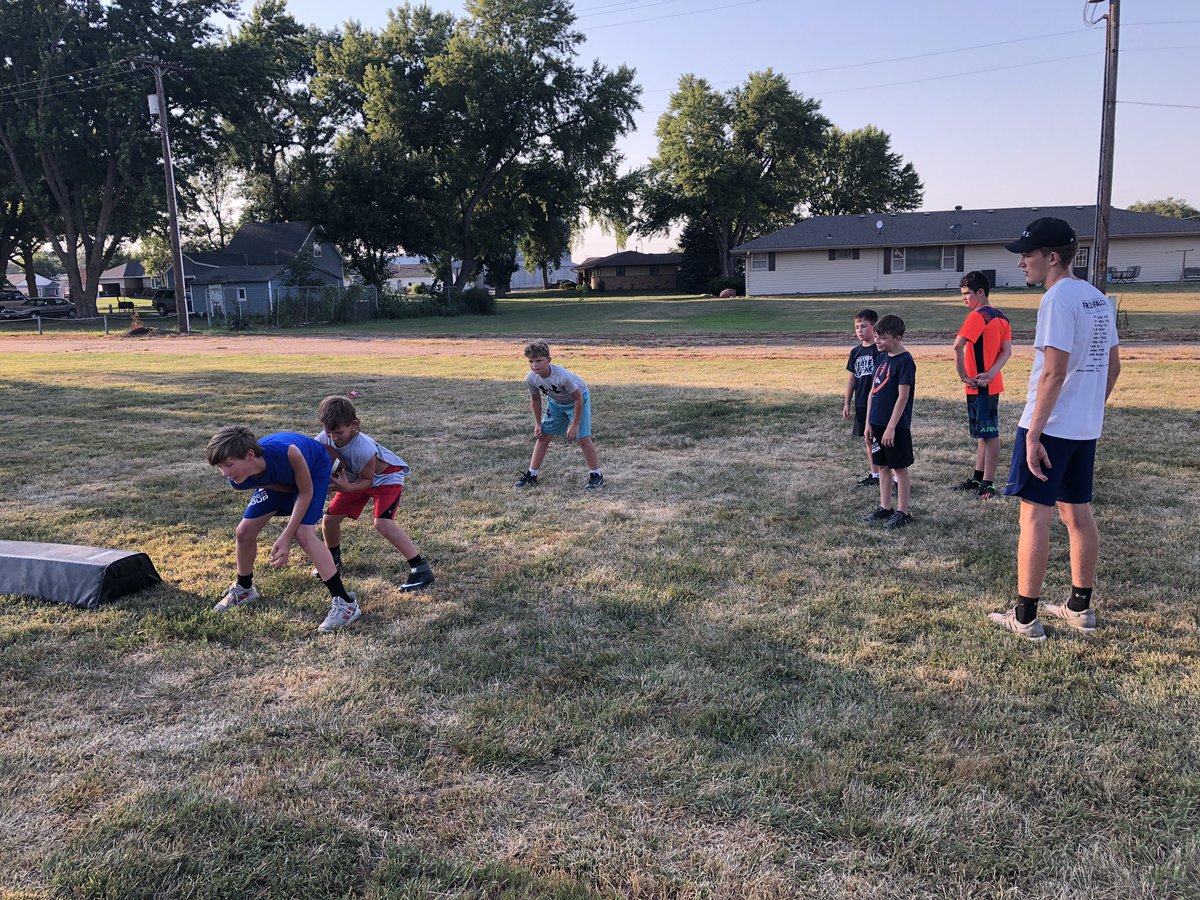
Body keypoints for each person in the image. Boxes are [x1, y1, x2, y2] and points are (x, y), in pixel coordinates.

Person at [989, 217, 1121, 641]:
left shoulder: (1057, 299)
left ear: (1052, 257)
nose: (1021, 262)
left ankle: (1025, 617)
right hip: (1083, 428)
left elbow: (1054, 372)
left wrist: (1034, 433)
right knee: (1077, 513)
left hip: (1050, 427)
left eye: (1027, 255)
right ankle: (1079, 607)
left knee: (1034, 518)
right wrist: (1088, 409)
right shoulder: (1098, 298)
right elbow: (1113, 366)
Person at [205, 426, 360, 633]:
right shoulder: (238, 481)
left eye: (229, 465)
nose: (225, 473)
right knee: (244, 532)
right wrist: (289, 495)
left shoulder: (288, 452)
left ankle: (346, 602)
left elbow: (304, 491)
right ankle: (244, 589)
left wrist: (286, 535)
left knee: (303, 533)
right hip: (281, 482)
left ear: (250, 455)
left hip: (313, 471)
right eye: (220, 467)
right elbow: (282, 488)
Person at [315, 395, 434, 592]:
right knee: (329, 520)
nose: (333, 438)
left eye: (338, 432)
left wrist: (344, 488)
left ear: (354, 425)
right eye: (329, 432)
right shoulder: (322, 439)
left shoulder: (363, 447)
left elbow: (367, 481)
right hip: (356, 479)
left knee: (383, 524)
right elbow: (318, 463)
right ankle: (333, 561)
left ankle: (421, 569)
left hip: (384, 478)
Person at [952, 271, 1013, 499]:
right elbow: (1006, 351)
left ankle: (988, 483)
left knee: (990, 434)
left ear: (981, 292)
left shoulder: (979, 316)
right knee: (983, 433)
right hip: (989, 382)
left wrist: (964, 375)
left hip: (980, 385)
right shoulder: (1002, 317)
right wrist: (992, 372)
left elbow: (957, 346)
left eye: (967, 294)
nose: (964, 298)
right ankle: (978, 477)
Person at [514, 340, 604, 490]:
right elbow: (535, 399)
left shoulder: (562, 376)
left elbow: (578, 398)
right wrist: (537, 423)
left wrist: (575, 424)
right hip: (556, 403)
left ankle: (596, 475)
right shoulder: (531, 378)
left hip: (578, 400)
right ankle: (532, 474)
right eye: (531, 361)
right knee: (543, 437)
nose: (534, 365)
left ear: (549, 360)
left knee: (583, 439)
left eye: (539, 360)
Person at [862, 314, 915, 529]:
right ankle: (885, 507)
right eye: (876, 337)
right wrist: (868, 422)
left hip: (895, 426)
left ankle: (903, 511)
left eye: (882, 338)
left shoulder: (905, 362)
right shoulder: (881, 357)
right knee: (882, 466)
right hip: (876, 423)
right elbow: (873, 391)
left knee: (898, 468)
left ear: (898, 338)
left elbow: (903, 397)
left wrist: (892, 427)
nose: (878, 341)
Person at [843, 308, 884, 488]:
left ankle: (890, 476)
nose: (860, 330)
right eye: (857, 327)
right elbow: (852, 377)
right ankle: (874, 473)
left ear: (874, 327)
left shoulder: (880, 350)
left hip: (877, 401)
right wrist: (847, 402)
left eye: (864, 326)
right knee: (868, 438)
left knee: (881, 439)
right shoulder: (856, 352)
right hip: (861, 401)